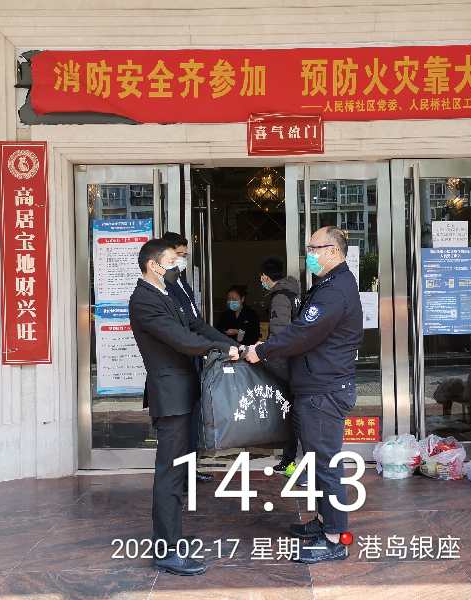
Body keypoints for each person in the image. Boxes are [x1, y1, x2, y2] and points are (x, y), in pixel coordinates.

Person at [245, 226, 363, 564]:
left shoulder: (335, 290)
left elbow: (303, 333)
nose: (309, 254)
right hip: (316, 386)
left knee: (326, 465)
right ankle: (324, 521)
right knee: (316, 462)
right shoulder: (327, 284)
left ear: (333, 251)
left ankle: (334, 538)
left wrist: (262, 351)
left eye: (314, 248)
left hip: (325, 390)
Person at [129, 238, 238, 576]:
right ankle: (165, 549)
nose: (177, 266)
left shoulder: (166, 293)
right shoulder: (144, 300)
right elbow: (183, 340)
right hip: (171, 397)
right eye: (171, 261)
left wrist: (232, 345)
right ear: (153, 265)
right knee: (170, 473)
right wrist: (222, 350)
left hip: (184, 392)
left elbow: (193, 327)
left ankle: (172, 537)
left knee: (179, 470)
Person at [161, 231, 212, 483]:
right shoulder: (163, 287)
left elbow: (196, 322)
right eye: (178, 255)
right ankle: (180, 476)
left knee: (193, 421)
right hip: (178, 364)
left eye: (185, 255)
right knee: (179, 426)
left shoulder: (181, 282)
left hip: (193, 361)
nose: (182, 260)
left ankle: (190, 470)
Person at [259, 256, 302, 475]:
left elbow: (280, 334)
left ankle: (290, 459)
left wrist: (262, 352)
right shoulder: (293, 293)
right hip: (296, 360)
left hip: (287, 363)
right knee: (294, 412)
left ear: (265, 277)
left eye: (261, 277)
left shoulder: (279, 298)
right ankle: (289, 458)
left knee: (291, 413)